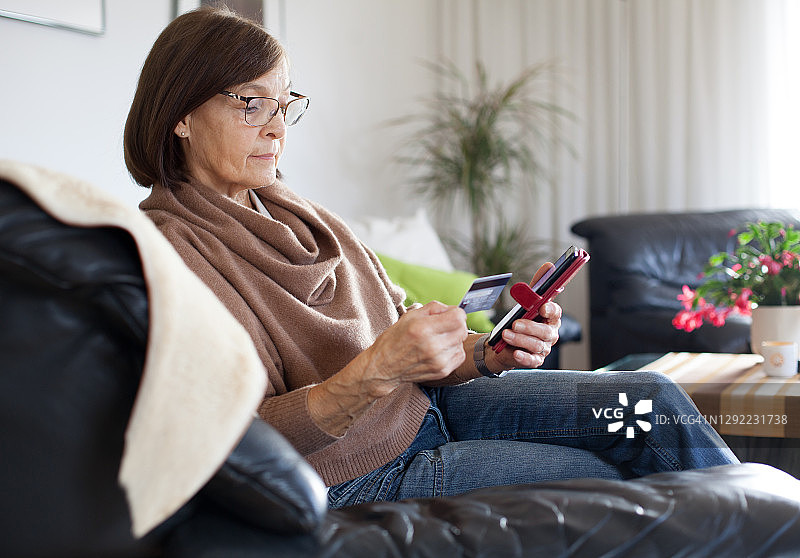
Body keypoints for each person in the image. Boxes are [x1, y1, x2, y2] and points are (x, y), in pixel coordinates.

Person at [124, 6, 738, 509]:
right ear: (180, 114)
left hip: (429, 408)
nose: (278, 129)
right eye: (249, 104)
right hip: (351, 474)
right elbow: (231, 440)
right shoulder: (167, 255)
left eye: (283, 104)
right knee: (608, 477)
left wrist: (485, 352)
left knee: (647, 403)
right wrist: (377, 371)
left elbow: (404, 339)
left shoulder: (299, 212)